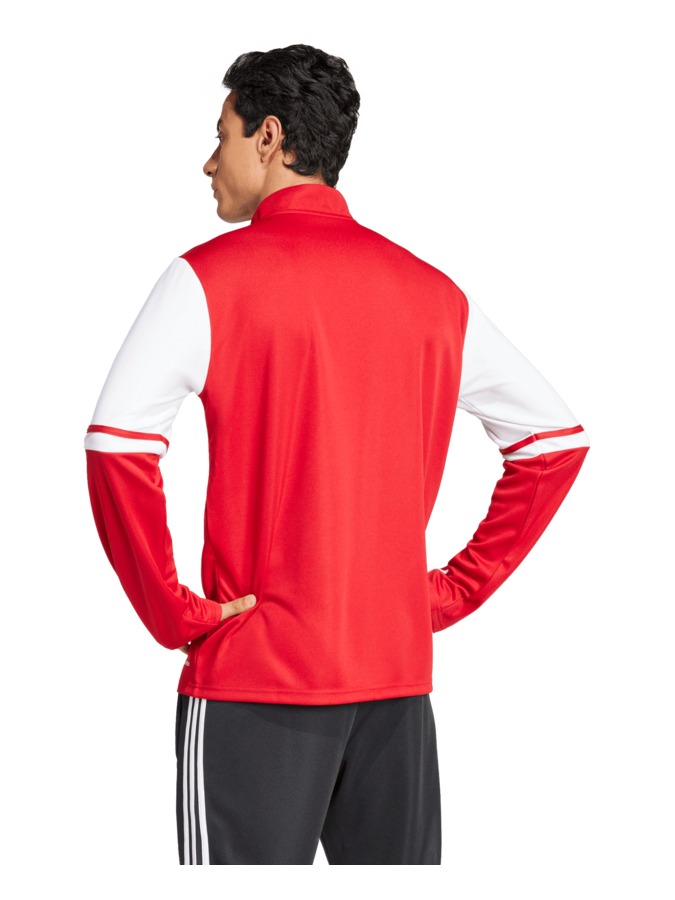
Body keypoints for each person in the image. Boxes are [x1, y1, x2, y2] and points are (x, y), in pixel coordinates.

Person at [84, 44, 590, 865]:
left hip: (255, 683)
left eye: (220, 136)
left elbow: (115, 445)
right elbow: (552, 442)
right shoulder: (430, 291)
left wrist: (172, 613)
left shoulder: (204, 279)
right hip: (395, 687)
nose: (207, 162)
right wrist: (438, 595)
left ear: (268, 137)